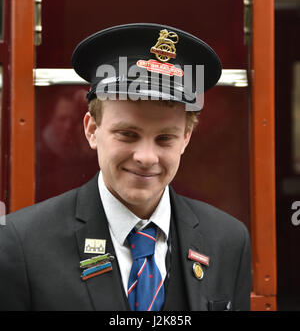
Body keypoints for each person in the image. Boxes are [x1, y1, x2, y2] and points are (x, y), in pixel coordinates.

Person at [0, 23, 251, 311]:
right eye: (127, 134)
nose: (146, 156)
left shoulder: (229, 241)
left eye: (164, 138)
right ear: (92, 129)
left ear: (186, 138)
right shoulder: (21, 244)